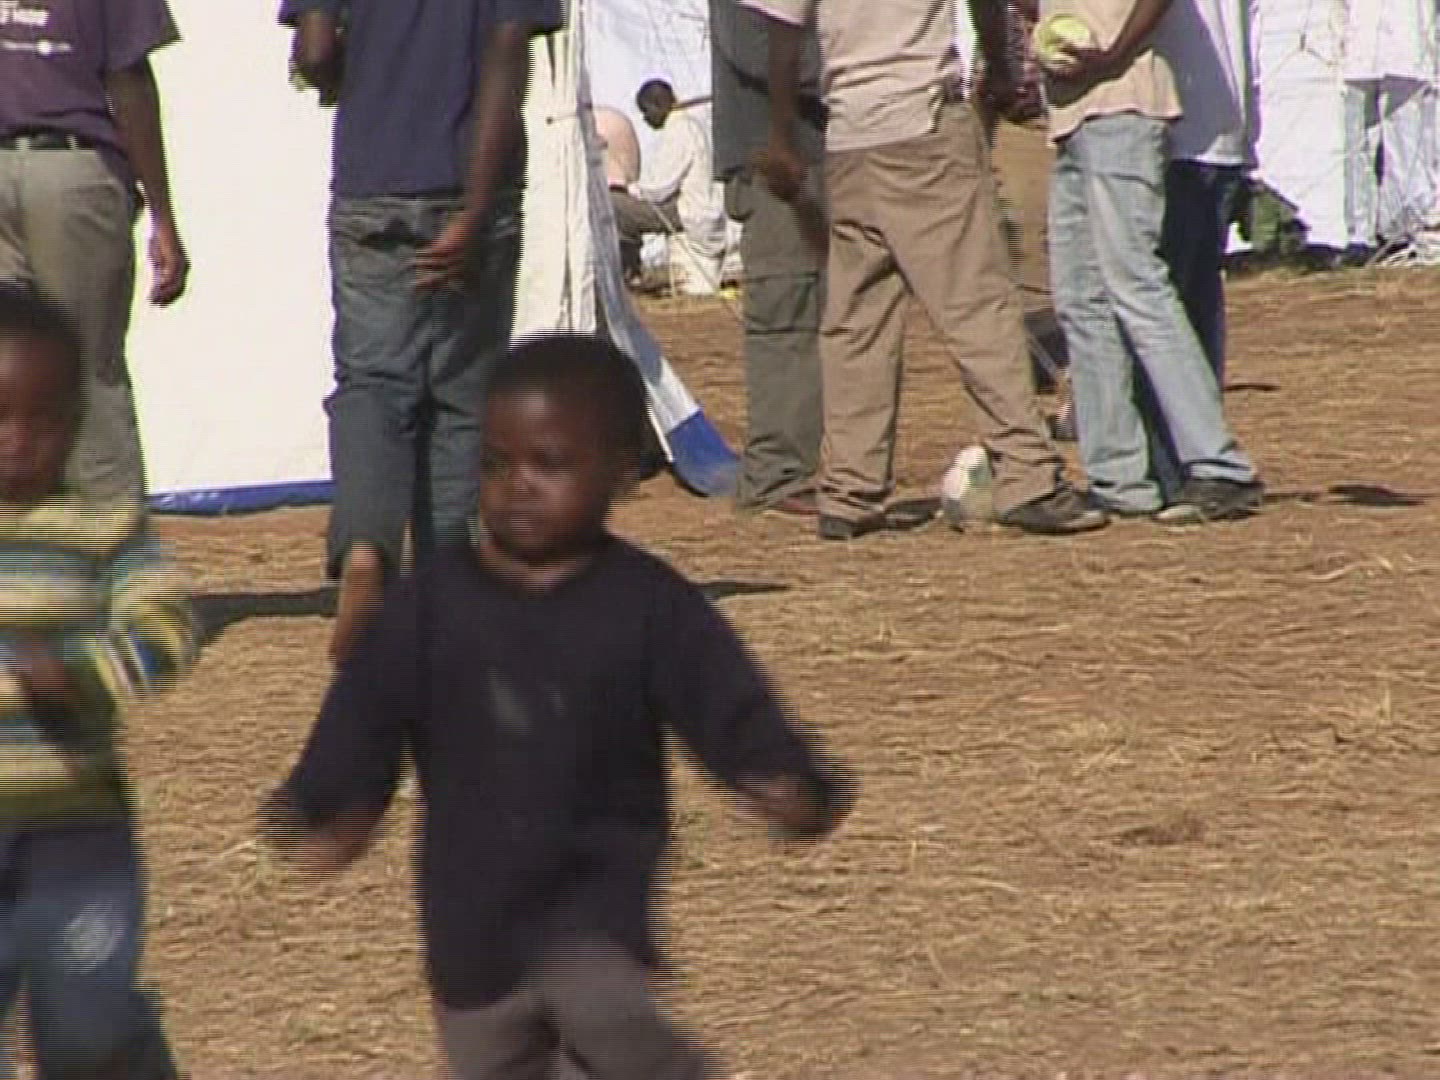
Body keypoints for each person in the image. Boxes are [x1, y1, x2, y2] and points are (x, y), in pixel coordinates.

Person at [260, 332, 854, 1080]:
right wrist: (323, 800)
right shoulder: (433, 604)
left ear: (620, 473)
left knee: (598, 1007)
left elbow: (722, 698)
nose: (518, 486)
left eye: (549, 463)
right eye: (496, 462)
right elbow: (366, 712)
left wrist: (784, 776)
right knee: (488, 1053)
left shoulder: (646, 604)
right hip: (470, 913)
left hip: (594, 895)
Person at [745, 0, 1108, 539]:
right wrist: (1000, 70)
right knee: (976, 309)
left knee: (857, 322)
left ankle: (848, 491)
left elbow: (781, 29)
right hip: (924, 122)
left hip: (849, 134)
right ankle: (1028, 476)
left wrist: (781, 134)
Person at [281, 0, 563, 664]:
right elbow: (507, 56)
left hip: (372, 184)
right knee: (463, 399)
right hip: (477, 188)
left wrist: (346, 81)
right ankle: (451, 590)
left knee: (373, 386)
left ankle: (365, 549)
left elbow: (315, 51)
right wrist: (474, 208)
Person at [0, 284, 198, 1079]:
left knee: (86, 1023)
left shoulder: (102, 530)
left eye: (41, 421)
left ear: (77, 422)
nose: (17, 442)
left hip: (75, 837)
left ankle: (130, 1055)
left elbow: (166, 624)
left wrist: (85, 673)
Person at [1038, 0, 1263, 523]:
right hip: (1072, 112)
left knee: (1136, 285)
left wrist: (1113, 51)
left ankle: (1220, 465)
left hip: (1124, 104)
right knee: (1080, 300)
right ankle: (1118, 478)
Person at [0, 0, 190, 505]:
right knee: (84, 371)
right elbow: (129, 82)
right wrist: (163, 215)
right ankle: (112, 537)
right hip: (71, 164)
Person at [709, 0, 826, 515]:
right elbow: (757, 48)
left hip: (824, 155)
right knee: (788, 317)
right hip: (779, 165)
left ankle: (826, 465)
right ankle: (779, 473)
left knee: (833, 315)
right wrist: (858, 72)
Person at [1140, 0, 1252, 496]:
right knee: (1193, 308)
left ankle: (1179, 466)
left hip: (1172, 128)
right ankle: (1194, 460)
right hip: (1217, 127)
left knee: (1157, 307)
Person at [612, 80, 728, 291]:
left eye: (646, 111)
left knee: (614, 205)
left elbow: (659, 189)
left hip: (687, 211)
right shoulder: (692, 123)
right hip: (702, 207)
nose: (645, 119)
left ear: (658, 105)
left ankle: (628, 273)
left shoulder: (680, 130)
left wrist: (630, 189)